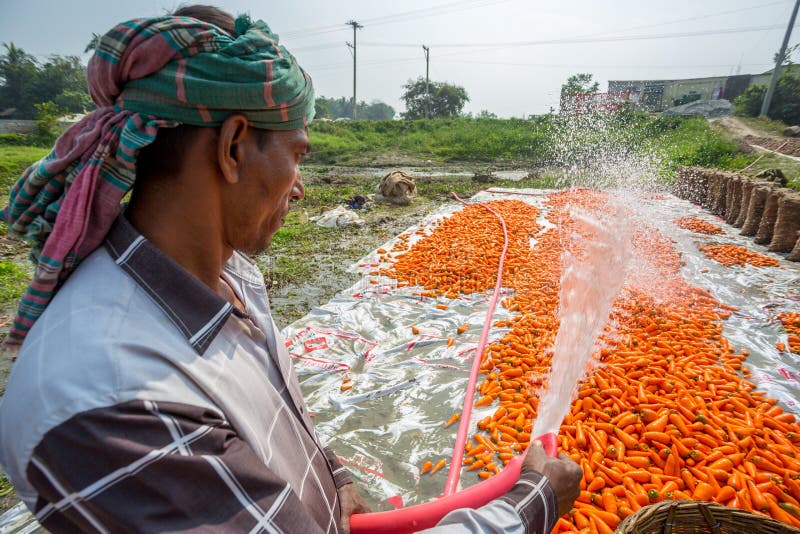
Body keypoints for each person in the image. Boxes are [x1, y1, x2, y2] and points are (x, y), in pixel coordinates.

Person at [0, 5, 581, 533]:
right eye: (297, 155)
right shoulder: (109, 398)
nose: (300, 187)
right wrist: (532, 502)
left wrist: (332, 479)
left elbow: (268, 417)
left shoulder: (233, 277)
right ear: (232, 147)